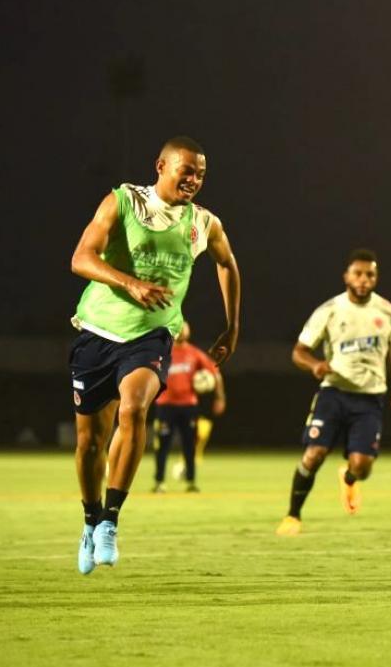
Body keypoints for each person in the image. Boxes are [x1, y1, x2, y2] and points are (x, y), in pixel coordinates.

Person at [69, 135, 240, 575]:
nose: (195, 180)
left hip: (151, 336)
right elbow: (81, 258)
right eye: (187, 170)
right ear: (161, 166)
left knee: (135, 408)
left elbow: (228, 264)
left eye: (201, 173)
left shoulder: (204, 223)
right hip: (97, 332)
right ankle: (89, 520)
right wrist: (130, 283)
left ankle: (110, 519)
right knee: (90, 442)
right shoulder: (123, 202)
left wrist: (232, 325)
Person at [276, 249, 391, 536]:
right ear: (346, 276)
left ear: (376, 278)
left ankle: (349, 477)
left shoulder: (389, 312)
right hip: (334, 393)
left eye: (369, 274)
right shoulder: (329, 311)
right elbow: (299, 352)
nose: (363, 280)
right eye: (358, 274)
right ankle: (292, 515)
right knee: (314, 455)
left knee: (362, 467)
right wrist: (315, 365)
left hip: (371, 397)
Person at [150, 320, 226, 493]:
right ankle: (159, 482)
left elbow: (215, 374)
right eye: (180, 328)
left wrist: (220, 397)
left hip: (188, 406)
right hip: (165, 405)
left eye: (185, 328)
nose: (183, 331)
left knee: (189, 445)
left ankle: (190, 482)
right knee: (162, 445)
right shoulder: (163, 353)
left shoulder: (194, 354)